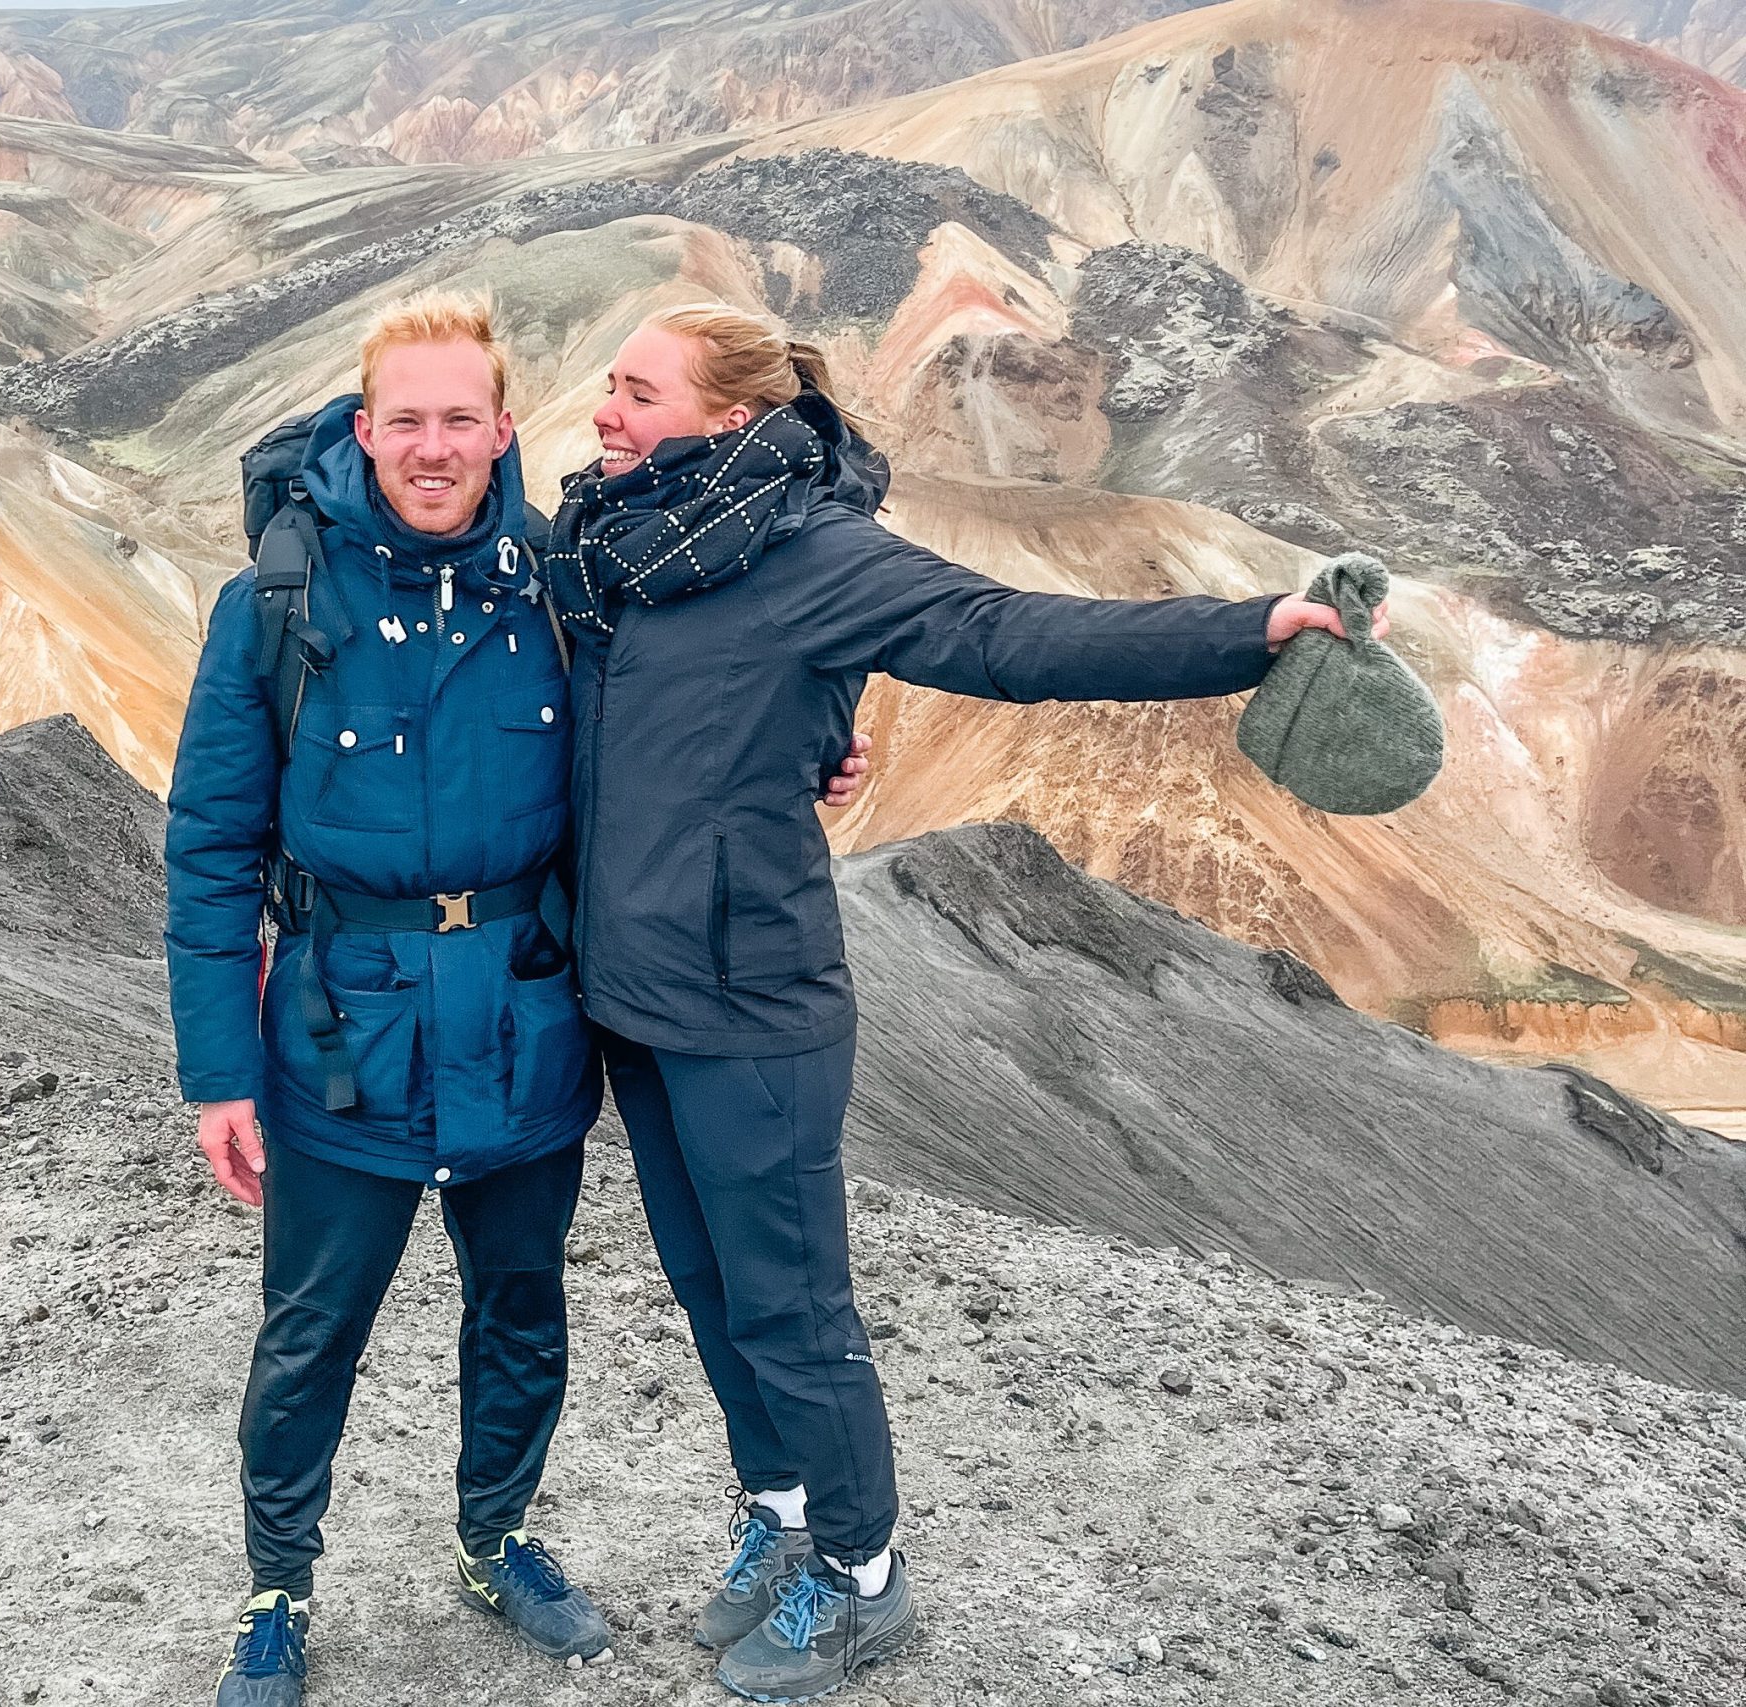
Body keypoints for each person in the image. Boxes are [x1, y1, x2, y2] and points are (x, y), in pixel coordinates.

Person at [541, 303, 1389, 1704]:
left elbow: (1008, 635)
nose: (604, 417)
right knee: (709, 1289)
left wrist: (1253, 631)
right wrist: (820, 734)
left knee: (792, 1308)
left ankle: (863, 1577)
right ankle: (787, 1513)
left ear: (731, 421)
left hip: (754, 1005)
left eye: (634, 392)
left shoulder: (814, 556)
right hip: (634, 994)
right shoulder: (614, 548)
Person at [163, 290, 615, 1707]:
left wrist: (819, 755)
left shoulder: (564, 591)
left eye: (458, 420)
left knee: (522, 1309)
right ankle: (276, 1590)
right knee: (310, 1333)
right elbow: (212, 847)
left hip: (523, 1025)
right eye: (405, 420)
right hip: (337, 1032)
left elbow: (696, 729)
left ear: (501, 431)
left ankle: (498, 1539)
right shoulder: (276, 603)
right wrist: (216, 1072)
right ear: (364, 430)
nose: (433, 447)